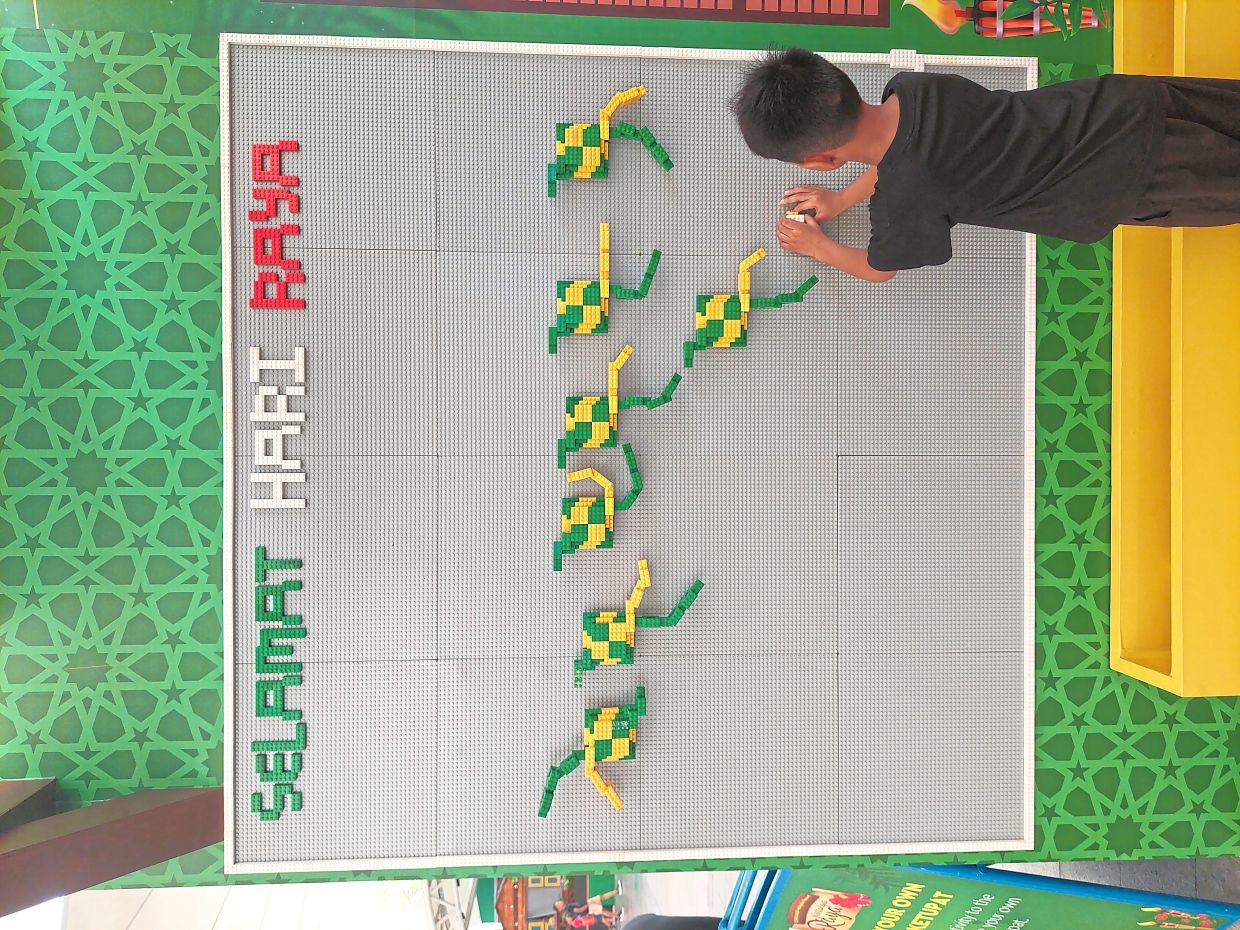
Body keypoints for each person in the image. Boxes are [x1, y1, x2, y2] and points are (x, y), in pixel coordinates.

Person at [730, 46, 1240, 283]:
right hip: (1128, 102)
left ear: (819, 160)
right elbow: (898, 150)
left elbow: (875, 268)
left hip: (1138, 175)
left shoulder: (907, 203)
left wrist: (818, 247)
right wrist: (842, 199)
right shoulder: (911, 88)